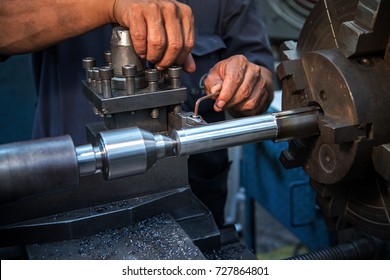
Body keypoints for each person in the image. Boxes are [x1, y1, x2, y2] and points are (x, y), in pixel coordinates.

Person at [0, 0, 274, 227]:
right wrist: (111, 6)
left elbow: (262, 76)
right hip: (68, 200)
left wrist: (249, 84)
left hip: (192, 204)